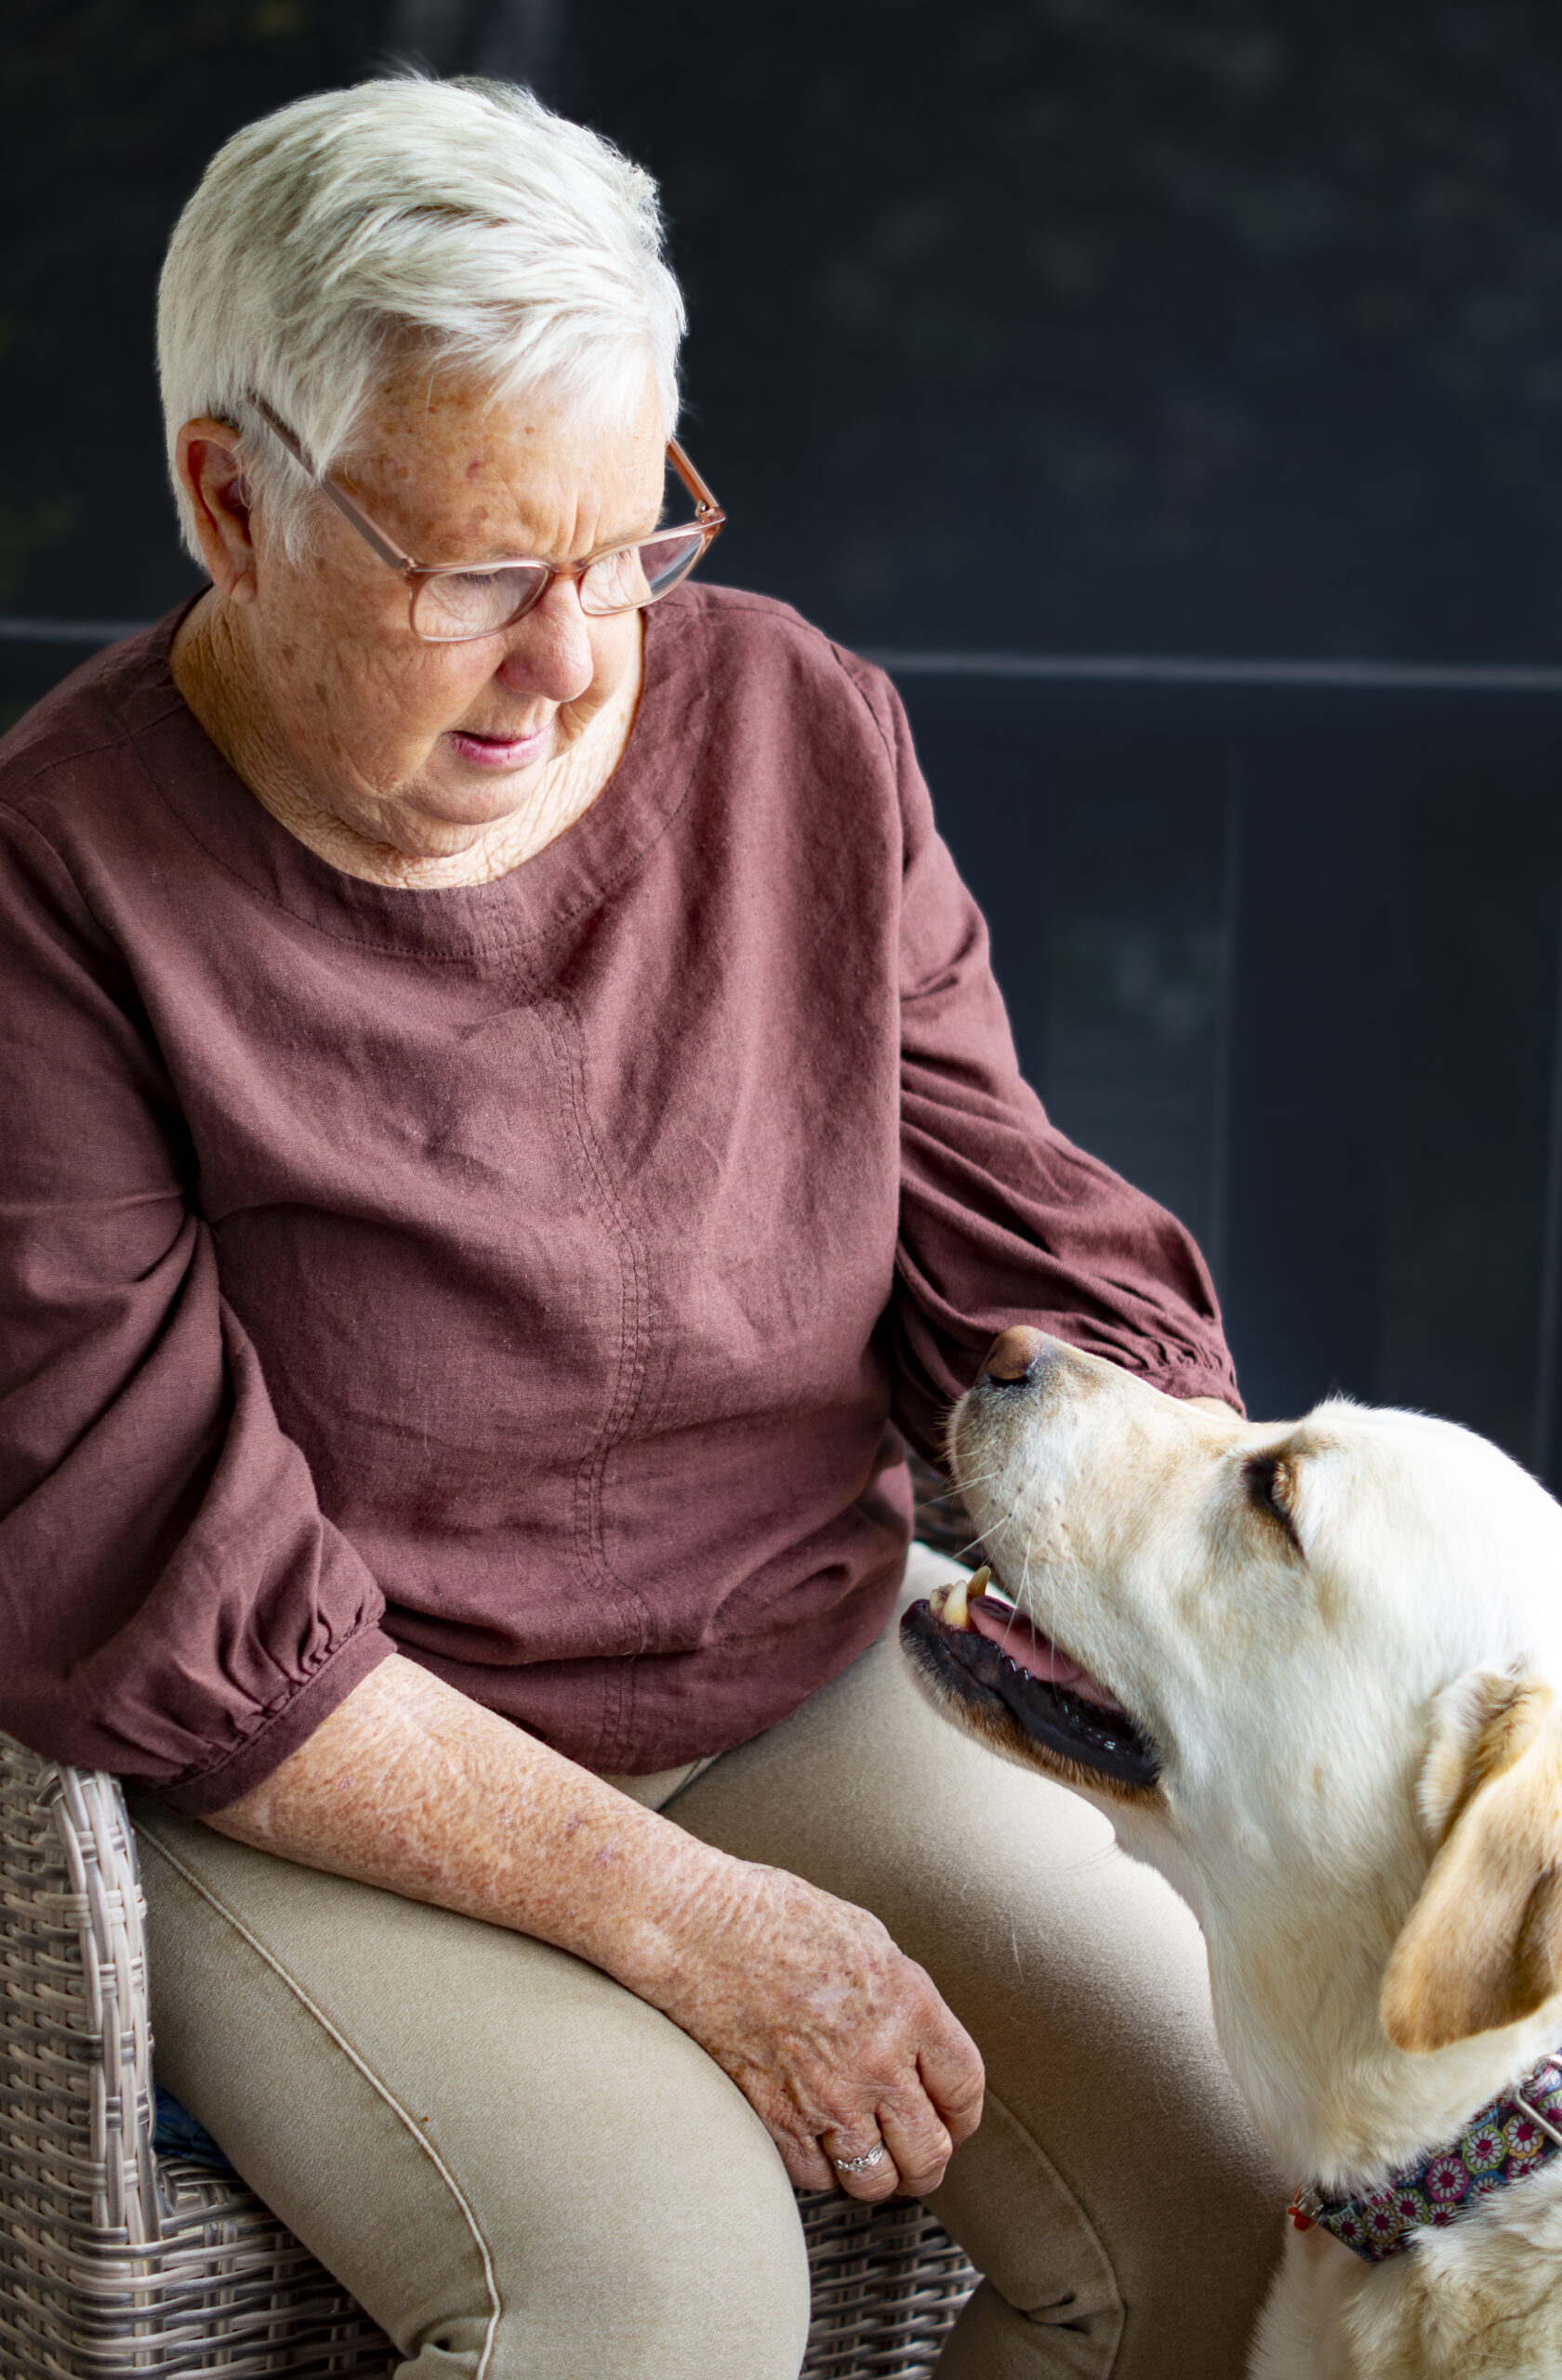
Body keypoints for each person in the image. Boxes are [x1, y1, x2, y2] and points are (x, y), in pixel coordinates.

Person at [0, 73, 1277, 2380]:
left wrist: (1229, 1534)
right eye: (480, 570)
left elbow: (1015, 1248)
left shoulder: (795, 721)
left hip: (793, 1669)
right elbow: (174, 1598)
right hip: (330, 1762)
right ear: (231, 500)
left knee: (1228, 2211)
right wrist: (690, 1921)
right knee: (664, 2299)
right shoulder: (53, 891)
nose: (579, 654)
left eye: (625, 546)